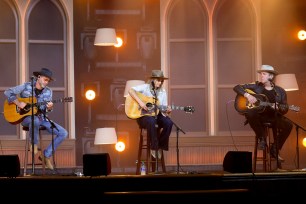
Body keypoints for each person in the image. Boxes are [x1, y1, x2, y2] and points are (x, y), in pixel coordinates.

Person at [4, 68, 68, 170]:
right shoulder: (26, 86)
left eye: (48, 81)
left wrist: (49, 108)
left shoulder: (49, 92)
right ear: (38, 77)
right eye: (45, 79)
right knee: (35, 120)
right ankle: (33, 144)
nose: (46, 82)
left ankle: (45, 156)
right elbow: (8, 92)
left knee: (63, 133)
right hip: (26, 118)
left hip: (42, 117)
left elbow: (45, 109)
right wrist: (19, 103)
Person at [233, 65, 293, 164]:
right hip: (259, 117)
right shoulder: (255, 86)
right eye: (260, 74)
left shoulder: (280, 91)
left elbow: (285, 107)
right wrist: (247, 95)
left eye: (264, 74)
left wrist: (279, 108)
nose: (261, 76)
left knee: (289, 125)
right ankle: (262, 139)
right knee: (250, 112)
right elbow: (237, 87)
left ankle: (274, 148)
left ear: (271, 76)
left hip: (273, 117)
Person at [128, 70, 173, 159]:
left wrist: (167, 111)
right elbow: (130, 90)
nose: (160, 83)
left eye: (161, 81)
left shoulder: (163, 92)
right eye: (158, 80)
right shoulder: (145, 87)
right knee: (151, 120)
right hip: (144, 117)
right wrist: (141, 103)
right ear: (152, 80)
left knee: (169, 123)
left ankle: (160, 146)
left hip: (157, 115)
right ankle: (154, 147)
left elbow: (162, 109)